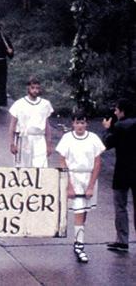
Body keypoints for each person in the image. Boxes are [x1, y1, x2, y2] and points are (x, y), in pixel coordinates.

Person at [56, 110, 105, 264]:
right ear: (73, 124)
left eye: (82, 122)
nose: (80, 126)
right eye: (77, 123)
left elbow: (97, 163)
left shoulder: (93, 138)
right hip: (73, 177)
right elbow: (62, 161)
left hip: (88, 177)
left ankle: (79, 238)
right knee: (78, 210)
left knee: (84, 212)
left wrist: (91, 186)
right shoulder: (67, 138)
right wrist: (69, 185)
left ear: (86, 123)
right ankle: (79, 246)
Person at [102, 98, 136, 253]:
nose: (115, 112)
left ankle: (122, 240)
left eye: (116, 110)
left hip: (123, 170)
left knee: (120, 206)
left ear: (122, 111)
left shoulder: (119, 126)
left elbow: (106, 144)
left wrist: (107, 129)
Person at [8, 77, 54, 168]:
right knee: (23, 167)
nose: (35, 91)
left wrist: (48, 144)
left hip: (39, 139)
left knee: (40, 166)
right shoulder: (19, 104)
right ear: (28, 88)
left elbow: (47, 126)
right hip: (24, 139)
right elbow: (12, 125)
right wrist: (12, 143)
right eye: (33, 88)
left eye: (37, 88)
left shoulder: (45, 104)